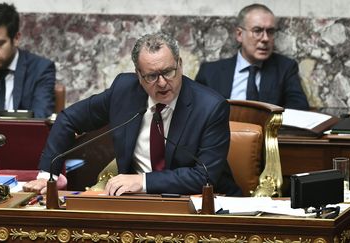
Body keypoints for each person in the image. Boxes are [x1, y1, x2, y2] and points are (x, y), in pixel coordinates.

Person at [23, 32, 241, 196]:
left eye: (168, 72)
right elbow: (69, 119)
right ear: (138, 75)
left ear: (180, 65)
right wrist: (47, 175)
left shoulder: (211, 107)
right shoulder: (124, 91)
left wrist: (142, 181)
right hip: (137, 204)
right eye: (152, 76)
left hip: (202, 204)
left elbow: (204, 176)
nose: (163, 83)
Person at [195, 3, 309, 110]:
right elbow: (195, 111)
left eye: (270, 31)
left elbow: (299, 109)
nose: (265, 38)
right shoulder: (210, 72)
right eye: (257, 31)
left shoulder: (285, 68)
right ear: (240, 34)